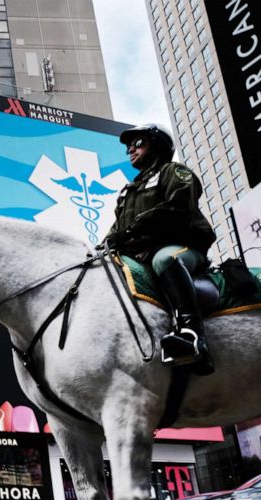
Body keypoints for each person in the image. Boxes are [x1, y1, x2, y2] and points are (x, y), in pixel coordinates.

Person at [104, 123, 216, 375]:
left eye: (138, 143)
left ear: (156, 145)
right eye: (128, 147)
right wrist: (101, 248)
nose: (130, 149)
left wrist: (131, 231)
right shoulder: (127, 192)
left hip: (180, 247)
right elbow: (116, 229)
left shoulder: (173, 171)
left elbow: (178, 206)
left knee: (164, 260)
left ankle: (192, 335)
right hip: (138, 256)